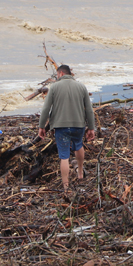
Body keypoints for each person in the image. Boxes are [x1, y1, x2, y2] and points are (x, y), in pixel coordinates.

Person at [38, 64, 96, 193]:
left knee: (64, 156)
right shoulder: (81, 87)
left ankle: (66, 186)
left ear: (61, 74)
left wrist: (42, 126)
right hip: (78, 124)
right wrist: (91, 128)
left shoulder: (54, 87)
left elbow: (46, 109)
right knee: (78, 145)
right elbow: (89, 110)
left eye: (57, 75)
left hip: (61, 126)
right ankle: (80, 173)